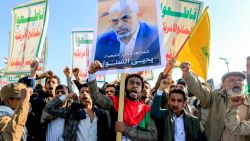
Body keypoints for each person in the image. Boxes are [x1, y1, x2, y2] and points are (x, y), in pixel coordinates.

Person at [180, 61, 250, 141]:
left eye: (240, 80)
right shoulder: (215, 96)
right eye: (232, 80)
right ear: (223, 84)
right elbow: (200, 91)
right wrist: (188, 74)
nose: (236, 82)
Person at [88, 60, 157, 141]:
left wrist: (126, 129)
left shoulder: (146, 110)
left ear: (141, 90)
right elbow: (97, 97)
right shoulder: (117, 102)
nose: (135, 85)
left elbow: (152, 136)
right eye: (131, 83)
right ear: (125, 87)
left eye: (138, 84)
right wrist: (92, 74)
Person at [95, 0, 161, 69]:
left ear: (139, 15)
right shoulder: (101, 42)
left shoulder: (156, 36)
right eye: (115, 21)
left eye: (125, 18)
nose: (120, 25)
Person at [44, 83, 110, 141]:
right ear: (79, 97)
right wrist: (67, 96)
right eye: (82, 92)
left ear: (93, 96)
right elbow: (49, 108)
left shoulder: (102, 114)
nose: (84, 93)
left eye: (88, 91)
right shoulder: (72, 112)